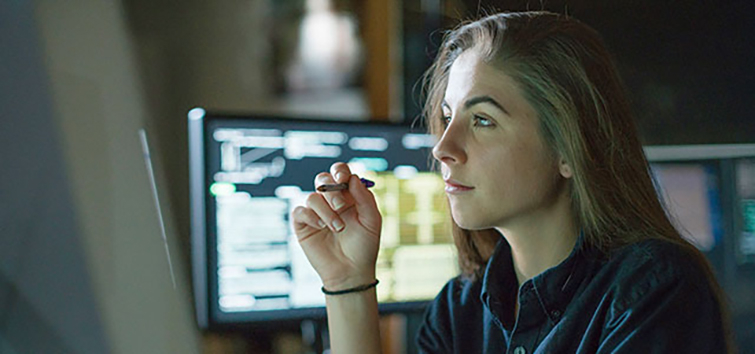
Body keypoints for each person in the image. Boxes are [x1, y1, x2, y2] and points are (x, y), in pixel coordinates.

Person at [290, 11, 732, 353]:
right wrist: (348, 281)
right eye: (446, 117)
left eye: (482, 120)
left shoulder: (654, 290)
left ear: (569, 148)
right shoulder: (459, 308)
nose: (443, 148)